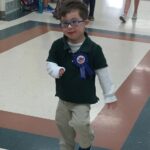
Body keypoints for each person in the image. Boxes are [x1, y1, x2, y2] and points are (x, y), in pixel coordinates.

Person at [46, 0, 117, 150]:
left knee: (81, 124)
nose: (69, 27)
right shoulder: (58, 45)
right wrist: (56, 70)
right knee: (63, 126)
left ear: (86, 22)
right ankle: (66, 147)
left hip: (82, 100)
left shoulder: (94, 49)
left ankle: (86, 144)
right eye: (65, 23)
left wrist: (109, 94)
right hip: (63, 99)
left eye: (74, 22)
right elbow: (49, 63)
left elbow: (103, 72)